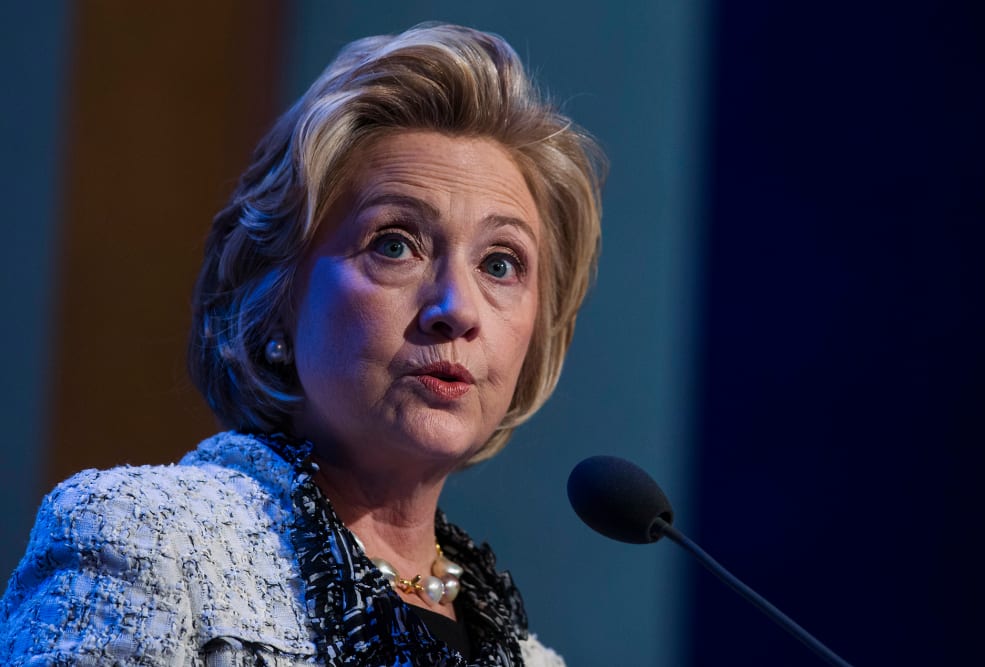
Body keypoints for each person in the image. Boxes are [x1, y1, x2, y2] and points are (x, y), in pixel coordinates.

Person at [0, 22, 603, 666]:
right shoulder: (145, 540)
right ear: (278, 296)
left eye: (501, 263)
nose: (455, 309)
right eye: (394, 244)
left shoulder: (533, 660)